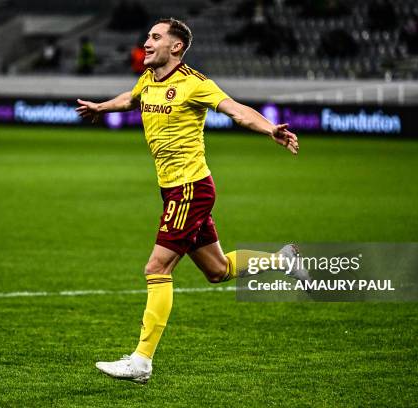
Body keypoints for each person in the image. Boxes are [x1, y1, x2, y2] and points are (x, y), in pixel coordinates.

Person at [76, 18, 307, 384]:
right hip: (173, 189)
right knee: (217, 271)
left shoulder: (195, 84)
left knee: (156, 269)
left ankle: (142, 361)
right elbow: (131, 99)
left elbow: (235, 110)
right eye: (147, 36)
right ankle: (282, 258)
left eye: (155, 37)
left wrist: (269, 129)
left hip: (190, 188)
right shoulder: (149, 79)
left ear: (176, 46)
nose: (146, 43)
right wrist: (101, 108)